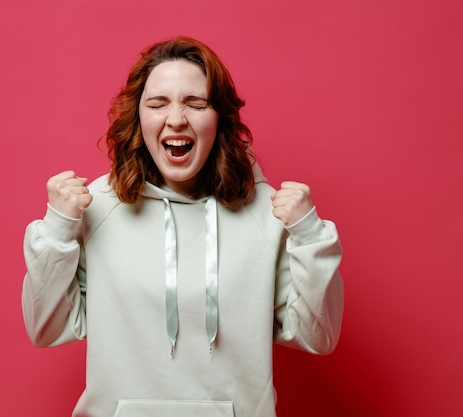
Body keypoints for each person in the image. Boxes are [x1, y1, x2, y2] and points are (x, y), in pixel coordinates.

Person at [22, 36, 344, 417]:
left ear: (219, 118)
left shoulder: (267, 214)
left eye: (196, 104)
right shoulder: (96, 207)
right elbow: (45, 328)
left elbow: (318, 337)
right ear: (138, 118)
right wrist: (58, 228)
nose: (176, 118)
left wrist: (308, 235)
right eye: (158, 104)